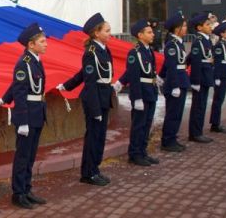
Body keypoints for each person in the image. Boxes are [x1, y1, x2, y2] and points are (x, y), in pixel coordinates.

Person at [0, 22, 49, 209]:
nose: (46, 44)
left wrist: (4, 99)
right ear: (31, 45)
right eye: (42, 41)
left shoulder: (35, 61)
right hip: (28, 116)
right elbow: (21, 91)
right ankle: (18, 193)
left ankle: (27, 189)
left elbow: (15, 86)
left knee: (31, 156)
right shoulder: (24, 64)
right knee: (23, 156)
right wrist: (22, 121)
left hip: (37, 113)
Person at [58, 12, 116, 187]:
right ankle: (88, 173)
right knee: (93, 137)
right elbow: (90, 82)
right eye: (106, 31)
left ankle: (95, 169)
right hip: (95, 99)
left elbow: (83, 74)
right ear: (96, 33)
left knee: (100, 137)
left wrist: (67, 85)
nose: (109, 34)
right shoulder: (91, 52)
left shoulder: (104, 50)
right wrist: (96, 109)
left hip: (104, 96)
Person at [123, 19, 160, 166]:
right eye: (149, 32)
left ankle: (143, 152)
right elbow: (133, 76)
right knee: (139, 125)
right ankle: (134, 154)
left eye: (152, 32)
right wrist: (137, 98)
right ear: (140, 35)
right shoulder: (134, 53)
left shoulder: (149, 51)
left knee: (147, 124)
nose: (153, 35)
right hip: (142, 94)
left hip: (150, 91)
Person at [159, 13, 189, 152]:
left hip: (181, 80)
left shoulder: (178, 43)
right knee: (173, 114)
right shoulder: (172, 44)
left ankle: (172, 138)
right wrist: (175, 86)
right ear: (176, 29)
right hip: (175, 83)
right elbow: (171, 66)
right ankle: (167, 141)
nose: (186, 28)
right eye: (183, 26)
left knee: (177, 113)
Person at [187, 12, 215, 143]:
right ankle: (195, 133)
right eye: (207, 24)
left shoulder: (206, 40)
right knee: (198, 106)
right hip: (201, 78)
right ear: (199, 27)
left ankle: (198, 131)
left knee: (202, 105)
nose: (211, 26)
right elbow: (196, 62)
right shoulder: (199, 42)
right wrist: (196, 81)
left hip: (206, 76)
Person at [209, 22, 226, 133]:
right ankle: (215, 124)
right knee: (218, 100)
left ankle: (216, 122)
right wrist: (217, 77)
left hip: (225, 73)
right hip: (221, 74)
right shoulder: (220, 45)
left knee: (220, 99)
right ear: (222, 34)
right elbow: (218, 62)